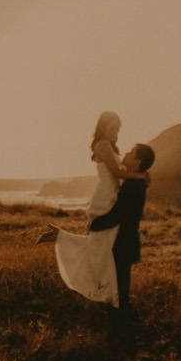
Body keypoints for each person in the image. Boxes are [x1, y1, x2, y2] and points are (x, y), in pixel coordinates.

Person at [55, 111, 148, 306]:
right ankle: (109, 290)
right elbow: (116, 172)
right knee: (102, 241)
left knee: (106, 243)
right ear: (103, 127)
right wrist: (141, 176)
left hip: (112, 191)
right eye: (112, 128)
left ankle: (111, 289)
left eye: (118, 129)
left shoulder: (111, 145)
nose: (116, 132)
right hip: (106, 193)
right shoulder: (103, 144)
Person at [90, 143, 154, 350]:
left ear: (137, 162)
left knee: (119, 291)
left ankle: (123, 340)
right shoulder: (134, 182)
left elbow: (119, 214)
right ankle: (122, 336)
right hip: (125, 242)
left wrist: (94, 224)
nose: (126, 153)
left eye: (131, 152)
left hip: (123, 244)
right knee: (119, 289)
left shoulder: (134, 185)